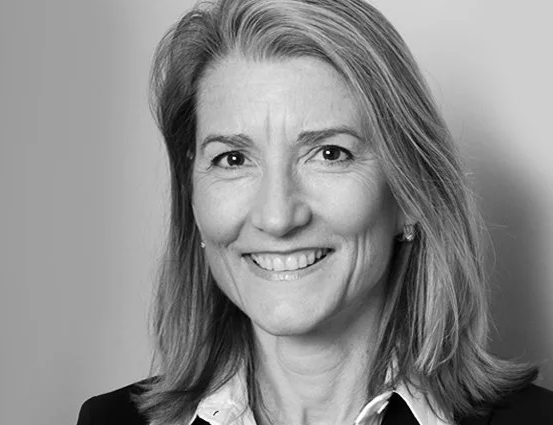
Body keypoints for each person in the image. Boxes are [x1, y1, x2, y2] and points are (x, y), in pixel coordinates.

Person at [77, 0, 553, 424]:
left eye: (329, 153)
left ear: (409, 194)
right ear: (193, 195)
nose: (277, 217)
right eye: (233, 159)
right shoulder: (111, 421)